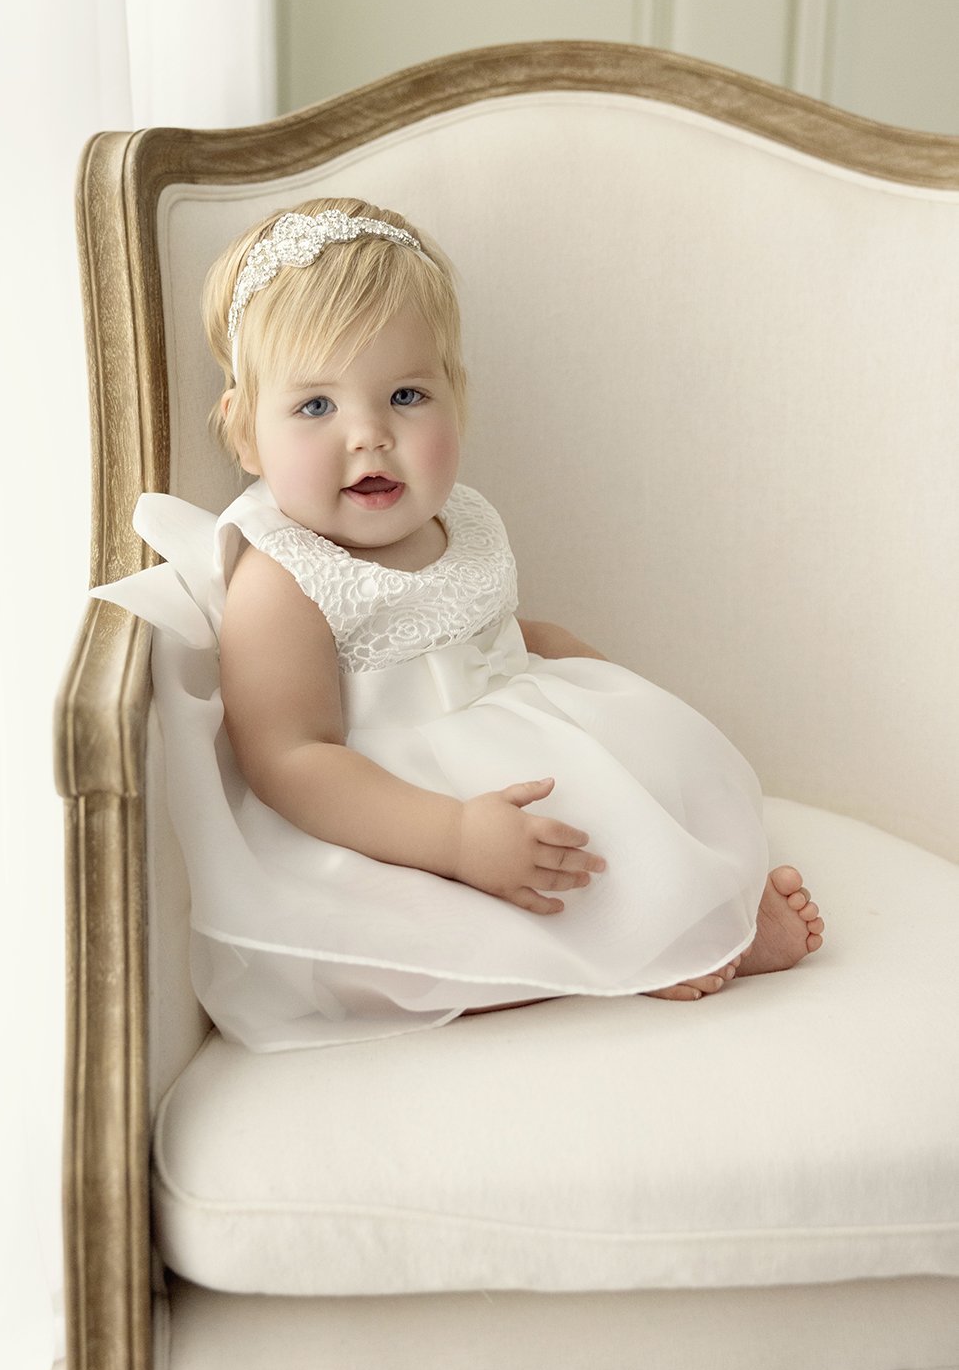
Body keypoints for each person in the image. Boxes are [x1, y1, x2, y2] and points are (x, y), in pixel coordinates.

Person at [93, 197, 824, 1051]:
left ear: (456, 402)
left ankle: (707, 914)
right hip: (391, 818)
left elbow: (498, 632)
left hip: (511, 759)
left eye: (405, 395)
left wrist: (615, 704)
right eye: (316, 407)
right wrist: (451, 838)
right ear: (244, 434)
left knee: (610, 822)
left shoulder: (463, 520)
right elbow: (289, 757)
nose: (368, 436)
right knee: (417, 934)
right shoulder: (283, 577)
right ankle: (606, 963)